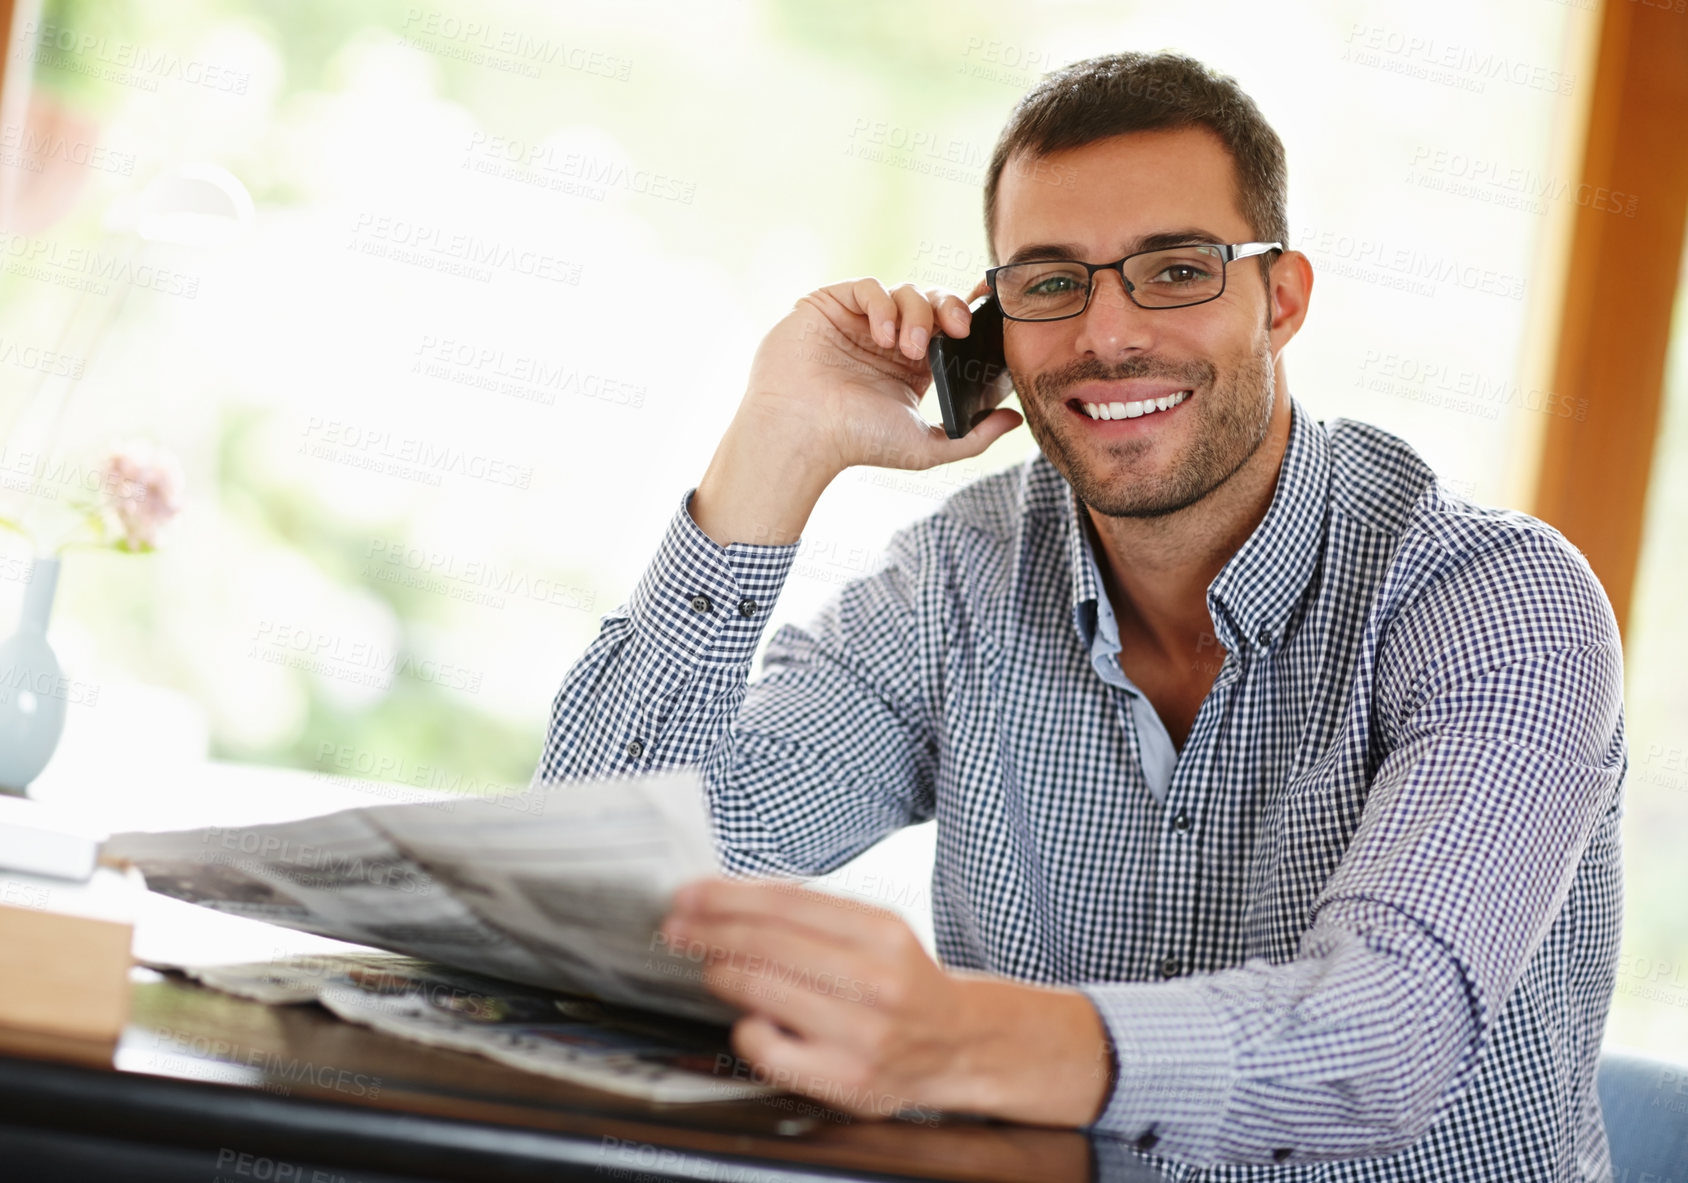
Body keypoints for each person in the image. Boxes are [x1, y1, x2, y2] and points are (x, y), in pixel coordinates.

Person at [533, 50, 1626, 1179]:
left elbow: (1378, 1043)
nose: (1106, 336)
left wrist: (952, 1039)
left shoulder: (1498, 603)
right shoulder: (951, 584)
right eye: (1048, 283)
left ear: (1281, 297)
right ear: (991, 330)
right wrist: (774, 446)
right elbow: (583, 889)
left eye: (1174, 269)